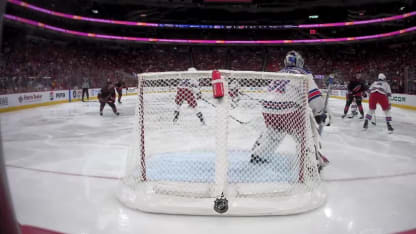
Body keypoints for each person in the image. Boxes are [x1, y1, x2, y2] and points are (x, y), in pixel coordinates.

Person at [250, 50, 329, 171]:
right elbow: (314, 96)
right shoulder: (303, 73)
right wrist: (319, 113)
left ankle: (259, 155)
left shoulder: (279, 73)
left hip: (268, 109)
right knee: (305, 136)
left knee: (273, 133)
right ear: (299, 62)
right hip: (289, 110)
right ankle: (312, 162)